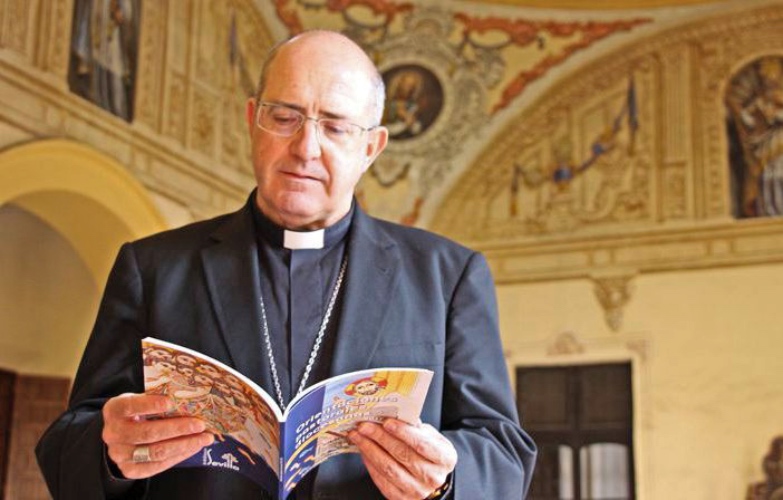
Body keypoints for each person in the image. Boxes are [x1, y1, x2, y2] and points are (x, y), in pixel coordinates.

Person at [36, 30, 536, 499]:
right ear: (252, 118)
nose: (305, 149)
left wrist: (446, 479)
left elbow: (504, 452)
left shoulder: (447, 276)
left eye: (335, 127)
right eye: (284, 117)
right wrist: (110, 453)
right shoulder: (153, 268)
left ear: (370, 147)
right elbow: (67, 443)